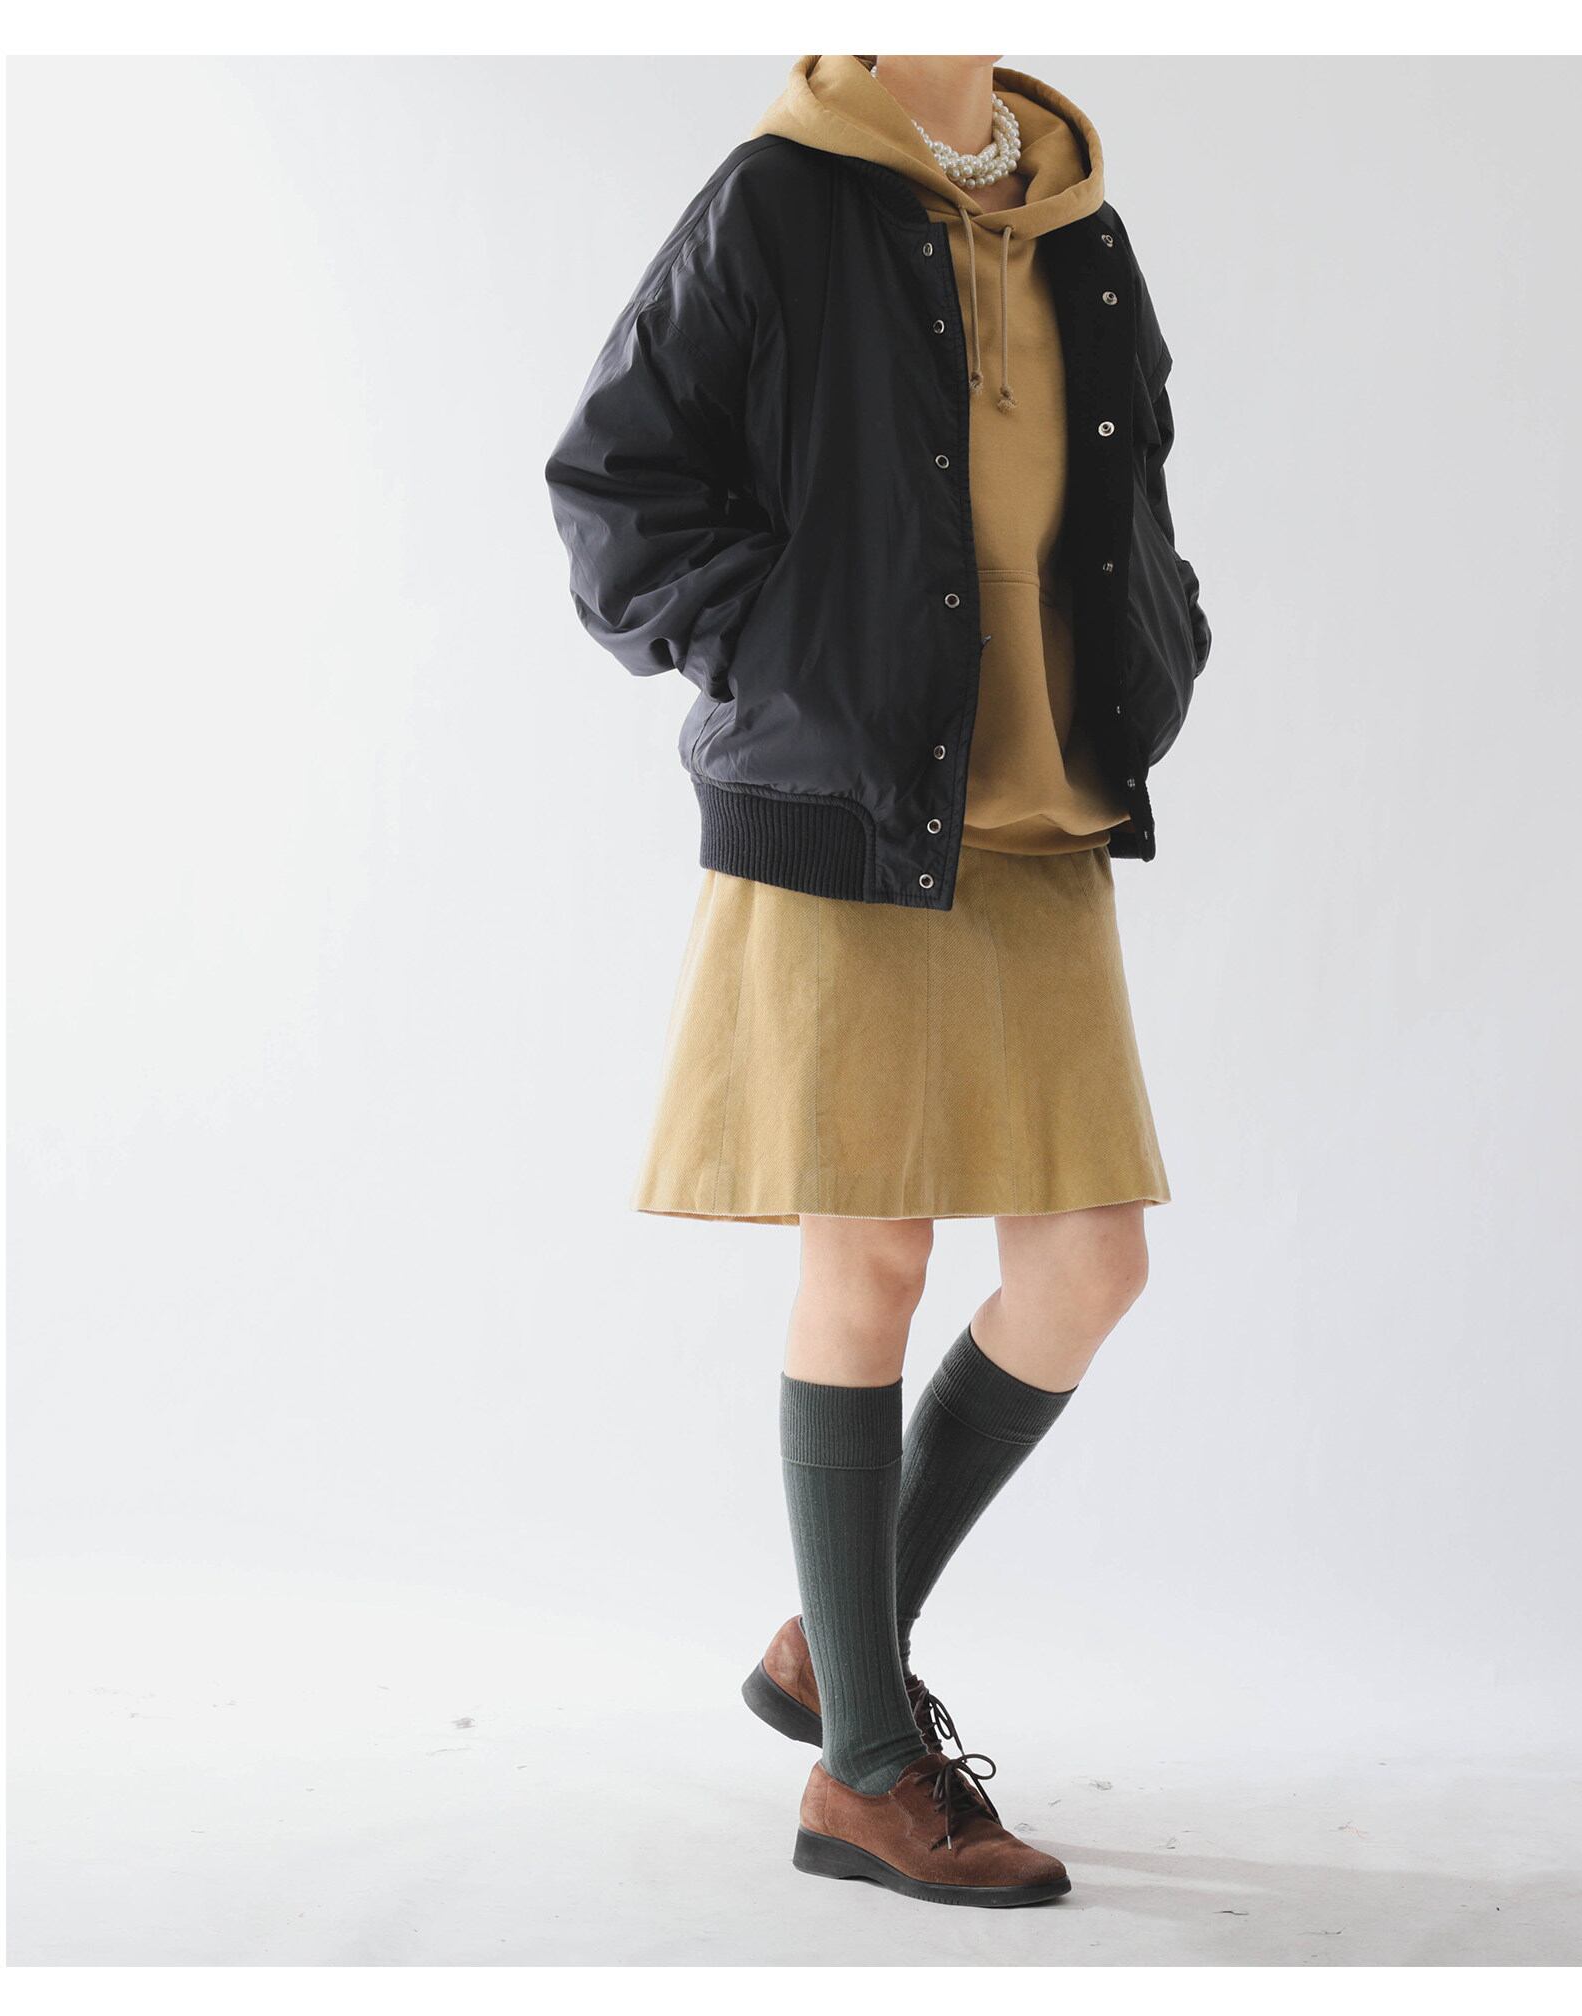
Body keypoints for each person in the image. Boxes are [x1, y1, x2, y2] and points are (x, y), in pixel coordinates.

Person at [546, 52, 1209, 1909]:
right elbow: (616, 485)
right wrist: (792, 664)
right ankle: (860, 1773)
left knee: (1089, 1265)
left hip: (1041, 816)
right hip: (850, 807)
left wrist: (1162, 636)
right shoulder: (781, 193)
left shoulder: (1076, 216)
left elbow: (1137, 476)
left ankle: (834, 1643)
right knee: (875, 1259)